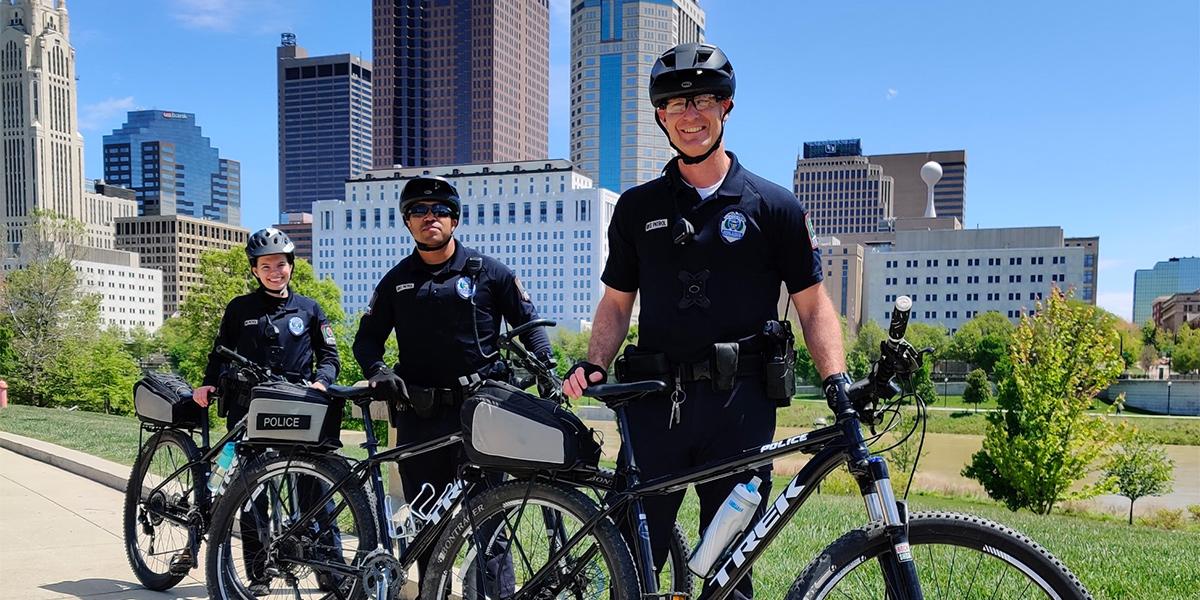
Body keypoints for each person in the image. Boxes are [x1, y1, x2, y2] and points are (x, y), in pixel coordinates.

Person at [562, 42, 848, 599]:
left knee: (730, 572)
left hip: (740, 409)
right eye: (675, 103)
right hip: (655, 405)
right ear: (660, 118)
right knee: (633, 560)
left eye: (703, 100)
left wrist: (835, 380)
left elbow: (814, 306)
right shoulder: (637, 209)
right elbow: (617, 303)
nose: (690, 114)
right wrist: (594, 363)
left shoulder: (774, 207)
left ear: (727, 108)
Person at [352, 174, 553, 591]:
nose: (431, 217)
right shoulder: (396, 280)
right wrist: (378, 371)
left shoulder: (489, 273)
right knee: (428, 530)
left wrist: (547, 366)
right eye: (419, 211)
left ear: (455, 219)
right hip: (420, 418)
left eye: (440, 210)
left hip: (482, 415)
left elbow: (530, 324)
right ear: (407, 221)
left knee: (492, 530)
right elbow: (366, 340)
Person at [193, 227, 341, 595]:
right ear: (255, 271)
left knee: (313, 487)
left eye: (281, 264)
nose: (275, 272)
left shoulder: (309, 309)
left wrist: (322, 380)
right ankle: (258, 575)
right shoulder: (239, 308)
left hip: (296, 408)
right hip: (248, 409)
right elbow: (219, 353)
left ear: (291, 266)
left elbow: (330, 356)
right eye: (266, 266)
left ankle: (330, 569)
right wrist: (208, 383)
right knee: (252, 496)